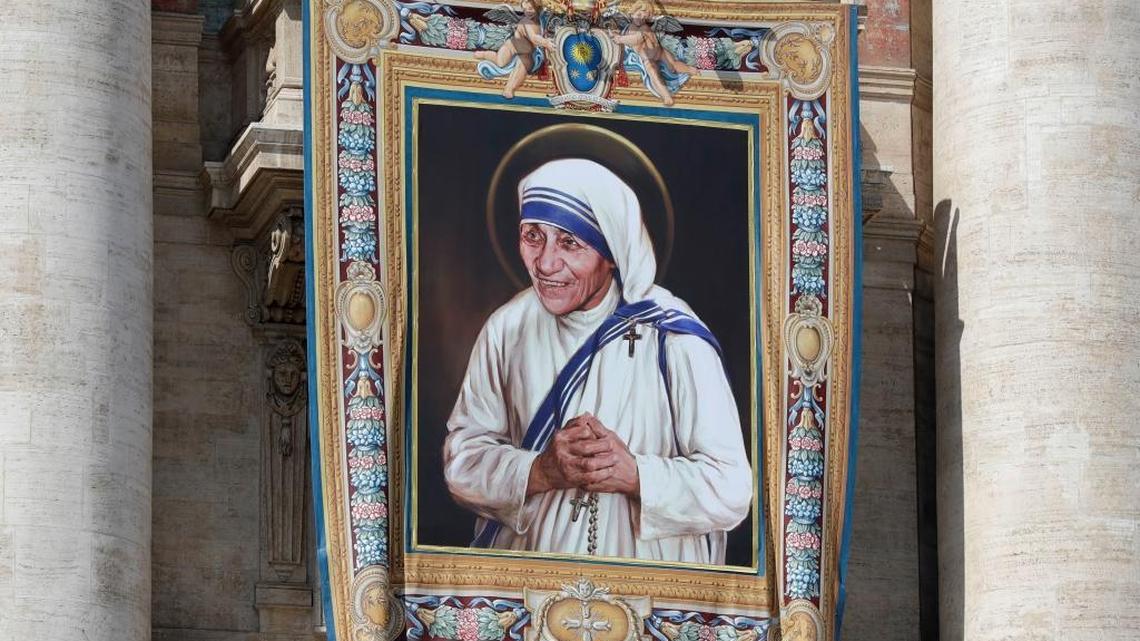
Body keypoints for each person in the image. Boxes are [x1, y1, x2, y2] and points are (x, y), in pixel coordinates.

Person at [443, 158, 752, 564]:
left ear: (612, 253)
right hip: (531, 581)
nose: (545, 263)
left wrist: (637, 475)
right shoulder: (508, 328)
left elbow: (731, 488)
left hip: (650, 588)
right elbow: (463, 462)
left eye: (570, 243)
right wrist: (541, 471)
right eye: (533, 236)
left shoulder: (673, 335)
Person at [474, 0, 554, 99]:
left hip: (527, 53)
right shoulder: (526, 22)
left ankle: (509, 89)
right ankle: (485, 54)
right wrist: (546, 43)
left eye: (530, 9)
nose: (527, 12)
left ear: (538, 8)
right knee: (501, 62)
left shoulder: (541, 21)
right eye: (524, 9)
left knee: (523, 64)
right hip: (512, 46)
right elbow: (534, 38)